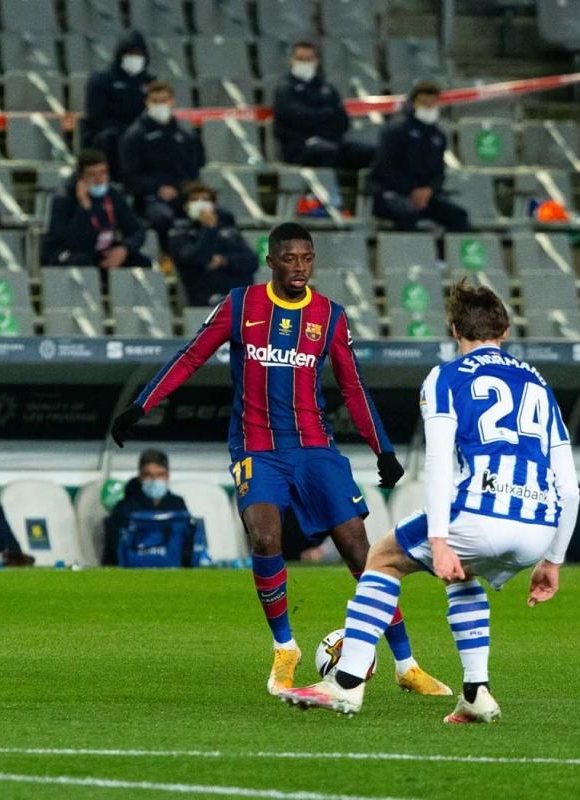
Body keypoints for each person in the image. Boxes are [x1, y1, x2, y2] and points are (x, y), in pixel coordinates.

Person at [110, 222, 450, 699]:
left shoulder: (329, 316)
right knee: (266, 537)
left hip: (315, 447)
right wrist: (142, 404)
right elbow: (190, 357)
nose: (299, 268)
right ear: (270, 261)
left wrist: (384, 449)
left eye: (307, 259)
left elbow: (353, 386)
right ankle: (285, 647)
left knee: (362, 551)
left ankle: (406, 663)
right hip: (256, 447)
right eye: (289, 259)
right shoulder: (240, 305)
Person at [283, 281, 580, 723]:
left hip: (481, 510)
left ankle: (344, 684)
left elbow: (439, 461)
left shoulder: (447, 376)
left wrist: (439, 539)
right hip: (539, 526)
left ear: (454, 329)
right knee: (462, 575)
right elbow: (570, 487)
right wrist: (552, 560)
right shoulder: (539, 385)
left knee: (382, 559)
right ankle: (476, 693)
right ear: (505, 328)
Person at [369, 81, 470, 232]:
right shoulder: (395, 130)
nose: (429, 107)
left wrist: (429, 190)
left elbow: (439, 173)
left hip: (425, 196)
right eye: (424, 103)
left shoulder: (438, 136)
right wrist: (411, 191)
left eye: (433, 103)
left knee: (458, 215)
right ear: (413, 103)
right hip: (391, 193)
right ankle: (407, 255)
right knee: (408, 214)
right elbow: (383, 168)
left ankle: (442, 255)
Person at [118, 80, 205, 243]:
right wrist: (157, 188)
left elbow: (193, 170)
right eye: (155, 101)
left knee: (213, 214)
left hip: (182, 194)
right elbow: (129, 176)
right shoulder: (134, 136)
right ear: (147, 102)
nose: (160, 105)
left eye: (164, 100)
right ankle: (168, 257)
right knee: (163, 218)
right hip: (148, 197)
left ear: (172, 101)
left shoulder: (185, 134)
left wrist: (179, 189)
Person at [41, 149, 150, 269]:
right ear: (81, 177)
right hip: (67, 252)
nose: (99, 179)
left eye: (103, 173)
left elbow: (137, 230)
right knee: (82, 262)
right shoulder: (64, 198)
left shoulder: (112, 195)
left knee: (140, 261)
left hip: (100, 250)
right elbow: (70, 240)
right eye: (92, 175)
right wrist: (84, 206)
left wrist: (124, 249)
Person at [272, 41, 374, 170]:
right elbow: (298, 119)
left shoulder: (326, 88)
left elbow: (342, 121)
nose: (305, 63)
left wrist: (317, 116)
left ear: (316, 61)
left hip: (332, 142)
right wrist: (326, 114)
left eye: (309, 59)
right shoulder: (285, 88)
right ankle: (329, 189)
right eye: (300, 59)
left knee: (368, 153)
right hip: (298, 147)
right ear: (291, 60)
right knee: (327, 153)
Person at [169, 182, 258, 307]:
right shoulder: (180, 234)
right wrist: (208, 228)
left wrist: (224, 260)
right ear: (186, 207)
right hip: (204, 296)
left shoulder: (229, 231)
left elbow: (252, 261)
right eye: (195, 200)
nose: (201, 204)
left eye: (205, 200)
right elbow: (195, 260)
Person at [83, 31, 154, 178]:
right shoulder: (101, 80)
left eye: (139, 54)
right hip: (111, 134)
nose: (135, 58)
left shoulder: (150, 82)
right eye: (130, 53)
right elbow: (96, 118)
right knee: (112, 139)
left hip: (141, 132)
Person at [102, 449, 189, 566]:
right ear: (140, 477)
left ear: (167, 476)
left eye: (160, 475)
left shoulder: (178, 504)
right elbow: (113, 553)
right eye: (148, 475)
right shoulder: (124, 508)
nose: (154, 480)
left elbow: (186, 545)